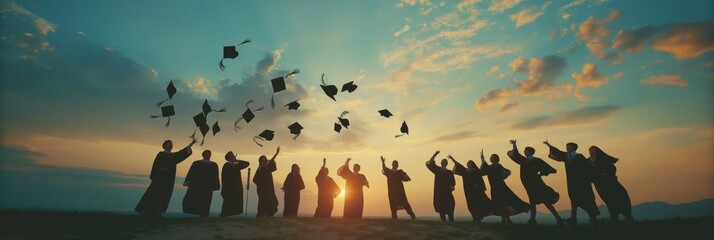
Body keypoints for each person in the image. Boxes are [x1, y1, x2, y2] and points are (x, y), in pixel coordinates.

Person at [508, 139, 564, 225]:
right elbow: (516, 154)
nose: (525, 152)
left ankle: (558, 218)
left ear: (531, 152)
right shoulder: (523, 160)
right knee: (532, 202)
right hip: (528, 184)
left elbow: (551, 169)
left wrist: (541, 174)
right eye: (524, 151)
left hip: (537, 184)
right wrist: (514, 145)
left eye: (526, 151)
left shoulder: (537, 160)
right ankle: (533, 220)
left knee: (545, 201)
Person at [135, 138, 195, 217]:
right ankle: (144, 211)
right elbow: (155, 166)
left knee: (164, 195)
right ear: (164, 146)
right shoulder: (161, 155)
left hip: (168, 179)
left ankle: (158, 212)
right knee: (153, 194)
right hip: (159, 179)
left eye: (171, 144)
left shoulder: (173, 156)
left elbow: (182, 152)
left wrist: (191, 144)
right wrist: (156, 175)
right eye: (168, 144)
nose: (170, 145)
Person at [544, 140, 599, 226]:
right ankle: (573, 218)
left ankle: (593, 220)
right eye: (566, 147)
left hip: (582, 183)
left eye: (569, 147)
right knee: (573, 199)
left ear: (574, 148)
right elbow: (558, 152)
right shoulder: (566, 156)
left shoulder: (580, 157)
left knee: (586, 201)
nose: (567, 148)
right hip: (571, 182)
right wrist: (549, 145)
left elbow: (587, 169)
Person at [589, 146, 635, 225]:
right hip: (600, 186)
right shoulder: (588, 161)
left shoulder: (603, 159)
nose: (591, 152)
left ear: (597, 151)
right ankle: (615, 221)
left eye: (593, 151)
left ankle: (627, 219)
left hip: (610, 183)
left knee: (618, 199)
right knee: (609, 202)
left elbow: (612, 168)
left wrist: (606, 174)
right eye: (590, 151)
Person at [481, 151, 529, 224]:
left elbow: (504, 174)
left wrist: (483, 160)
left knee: (503, 203)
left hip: (501, 187)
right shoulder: (492, 167)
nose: (490, 159)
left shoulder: (498, 166)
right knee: (498, 203)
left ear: (495, 159)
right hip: (494, 187)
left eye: (491, 157)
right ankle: (504, 219)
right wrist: (483, 159)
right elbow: (484, 170)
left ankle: (507, 219)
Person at [448, 153, 492, 223]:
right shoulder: (465, 171)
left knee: (477, 203)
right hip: (468, 190)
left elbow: (480, 176)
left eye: (470, 162)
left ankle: (478, 217)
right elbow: (458, 165)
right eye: (468, 162)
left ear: (472, 164)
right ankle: (474, 218)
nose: (468, 163)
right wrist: (452, 158)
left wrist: (482, 158)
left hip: (476, 190)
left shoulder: (476, 171)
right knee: (471, 204)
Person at [182, 150, 220, 217]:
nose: (208, 155)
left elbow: (215, 176)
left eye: (209, 154)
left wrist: (215, 185)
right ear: (203, 155)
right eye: (206, 153)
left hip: (208, 186)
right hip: (197, 185)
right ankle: (196, 214)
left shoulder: (214, 165)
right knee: (196, 199)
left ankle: (205, 215)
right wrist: (188, 181)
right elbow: (191, 173)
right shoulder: (196, 163)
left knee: (206, 200)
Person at [380, 156, 416, 220]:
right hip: (392, 191)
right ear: (392, 164)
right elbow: (384, 168)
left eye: (396, 164)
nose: (395, 165)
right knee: (392, 203)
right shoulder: (389, 172)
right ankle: (394, 218)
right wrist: (383, 162)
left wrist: (405, 177)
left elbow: (407, 178)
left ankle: (412, 215)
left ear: (398, 165)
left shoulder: (400, 172)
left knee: (404, 202)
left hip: (400, 191)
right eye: (394, 163)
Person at [425, 151, 456, 222]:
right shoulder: (437, 170)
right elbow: (429, 163)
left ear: (447, 163)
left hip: (447, 192)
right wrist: (435, 154)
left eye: (445, 161)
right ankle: (443, 220)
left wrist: (452, 187)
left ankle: (451, 219)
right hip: (439, 192)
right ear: (441, 162)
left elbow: (453, 183)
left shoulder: (449, 172)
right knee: (440, 205)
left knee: (450, 204)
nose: (444, 162)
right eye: (443, 161)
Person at [220, 151, 250, 217]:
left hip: (237, 186)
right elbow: (224, 177)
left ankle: (232, 215)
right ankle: (224, 215)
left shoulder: (237, 165)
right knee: (228, 201)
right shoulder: (226, 165)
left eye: (233, 155)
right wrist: (224, 187)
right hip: (229, 187)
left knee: (236, 201)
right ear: (228, 157)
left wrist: (236, 160)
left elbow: (247, 163)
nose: (232, 156)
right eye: (230, 155)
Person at [253, 146, 280, 217]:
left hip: (269, 188)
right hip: (262, 189)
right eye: (264, 158)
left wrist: (276, 153)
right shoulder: (260, 168)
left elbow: (271, 160)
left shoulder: (268, 167)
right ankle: (261, 215)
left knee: (274, 202)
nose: (265, 159)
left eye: (265, 158)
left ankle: (268, 215)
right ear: (261, 161)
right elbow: (255, 179)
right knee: (263, 203)